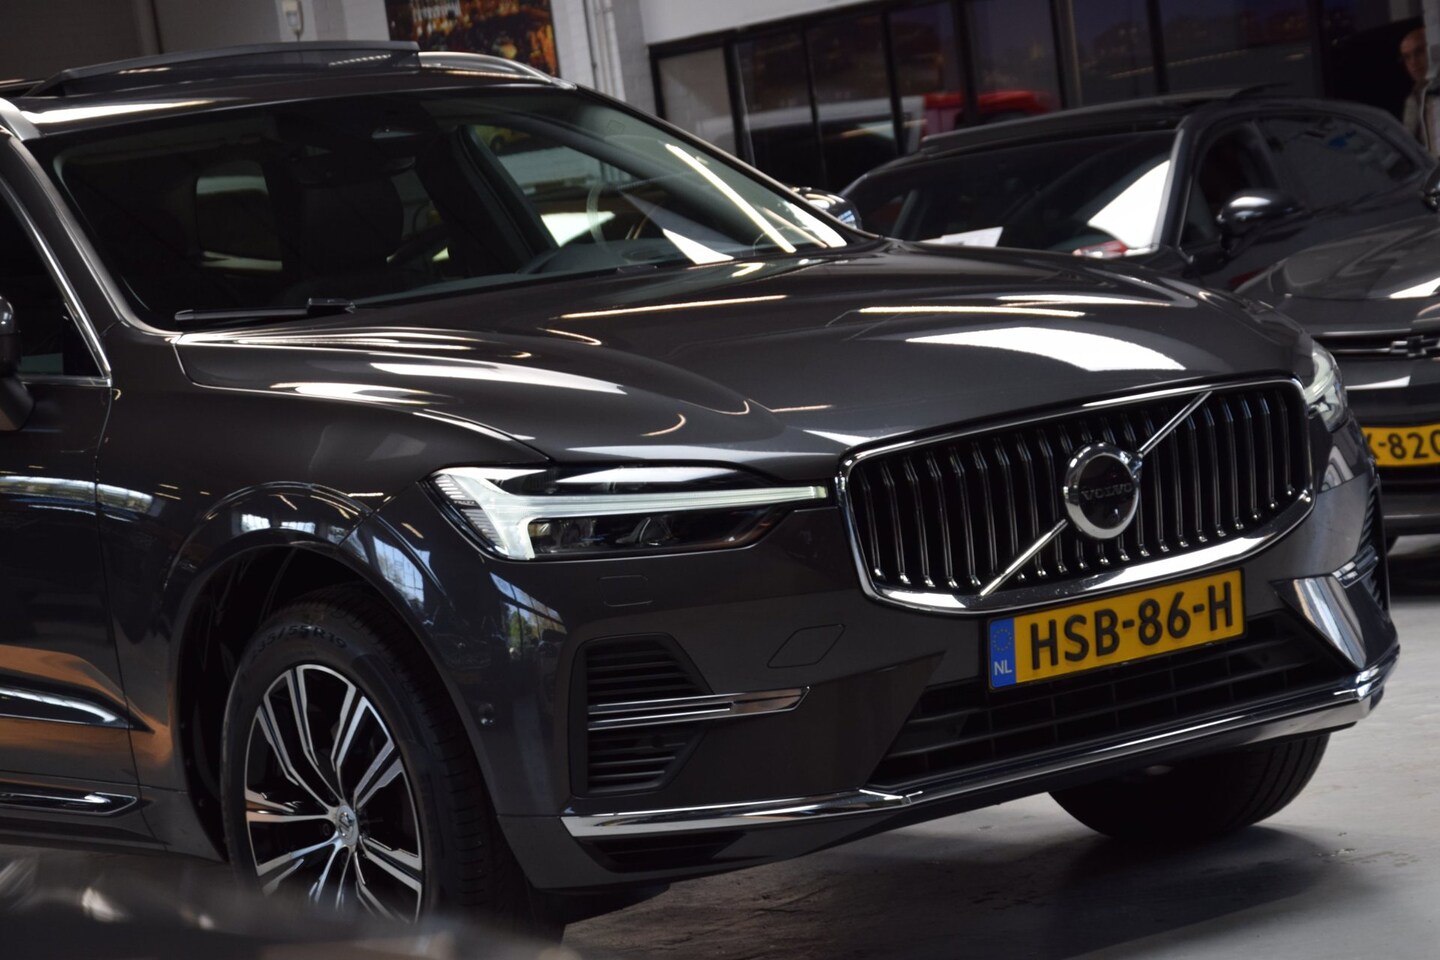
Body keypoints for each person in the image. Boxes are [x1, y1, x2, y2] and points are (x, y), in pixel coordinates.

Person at [1400, 27, 1440, 157]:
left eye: (1419, 52)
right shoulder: (1414, 99)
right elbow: (1407, 144)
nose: (1413, 62)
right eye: (1407, 57)